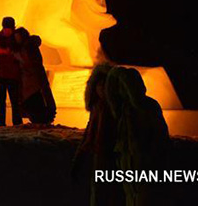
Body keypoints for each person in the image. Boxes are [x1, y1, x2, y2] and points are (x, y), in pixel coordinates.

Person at [106, 66, 169, 205]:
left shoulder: (148, 106)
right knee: (131, 195)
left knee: (144, 196)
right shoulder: (122, 108)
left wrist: (152, 156)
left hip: (143, 159)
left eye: (123, 86)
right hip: (127, 159)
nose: (120, 90)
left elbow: (160, 135)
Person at [72, 63, 121, 206]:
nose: (102, 89)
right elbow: (89, 132)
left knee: (108, 192)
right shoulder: (98, 108)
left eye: (105, 86)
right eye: (99, 86)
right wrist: (79, 157)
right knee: (100, 191)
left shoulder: (115, 110)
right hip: (100, 153)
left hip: (112, 154)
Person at [13, 27, 56, 124]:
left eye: (18, 37)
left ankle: (41, 119)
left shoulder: (29, 47)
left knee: (35, 99)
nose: (17, 39)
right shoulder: (27, 46)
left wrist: (17, 56)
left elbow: (30, 62)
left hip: (33, 79)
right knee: (32, 99)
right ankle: (40, 118)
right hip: (30, 80)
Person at [0, 17, 22, 126]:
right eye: (6, 28)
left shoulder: (18, 38)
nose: (7, 31)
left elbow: (22, 54)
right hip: (0, 74)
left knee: (15, 102)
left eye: (9, 28)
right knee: (0, 102)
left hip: (13, 75)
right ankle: (1, 124)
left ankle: (17, 124)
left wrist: (12, 53)